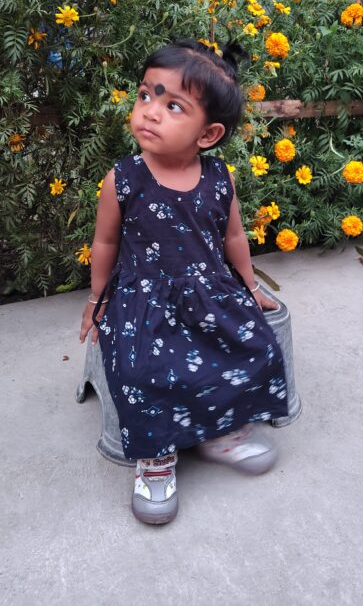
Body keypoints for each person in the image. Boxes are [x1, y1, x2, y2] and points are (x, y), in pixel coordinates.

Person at [79, 39, 288, 525]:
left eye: (173, 106)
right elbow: (105, 242)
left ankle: (222, 433)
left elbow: (232, 235)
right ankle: (156, 459)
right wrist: (96, 298)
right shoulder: (123, 179)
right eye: (146, 95)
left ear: (208, 134)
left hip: (208, 291)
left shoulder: (219, 179)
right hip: (143, 300)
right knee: (141, 370)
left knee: (254, 345)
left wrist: (250, 286)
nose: (150, 112)